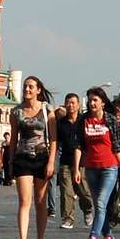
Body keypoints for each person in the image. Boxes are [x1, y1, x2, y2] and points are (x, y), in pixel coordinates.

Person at [76, 88, 120, 239]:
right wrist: (77, 168)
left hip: (109, 167)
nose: (92, 103)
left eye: (95, 100)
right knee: (99, 206)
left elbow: (118, 146)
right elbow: (79, 147)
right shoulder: (84, 120)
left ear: (103, 102)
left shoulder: (110, 120)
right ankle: (109, 238)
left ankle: (94, 237)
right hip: (91, 168)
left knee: (101, 203)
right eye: (90, 100)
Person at [8, 76, 53, 239]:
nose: (27, 89)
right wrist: (11, 161)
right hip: (23, 157)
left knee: (41, 203)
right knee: (24, 201)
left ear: (38, 90)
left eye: (31, 87)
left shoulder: (47, 110)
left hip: (42, 157)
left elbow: (54, 139)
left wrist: (51, 162)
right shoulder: (16, 112)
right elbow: (13, 139)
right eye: (25, 86)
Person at [51, 93, 91, 231]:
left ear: (79, 105)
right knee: (66, 192)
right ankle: (68, 218)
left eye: (73, 102)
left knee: (84, 191)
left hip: (83, 163)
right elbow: (55, 142)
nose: (70, 105)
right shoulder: (61, 123)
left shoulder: (84, 121)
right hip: (66, 162)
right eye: (68, 102)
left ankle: (88, 210)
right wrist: (52, 160)